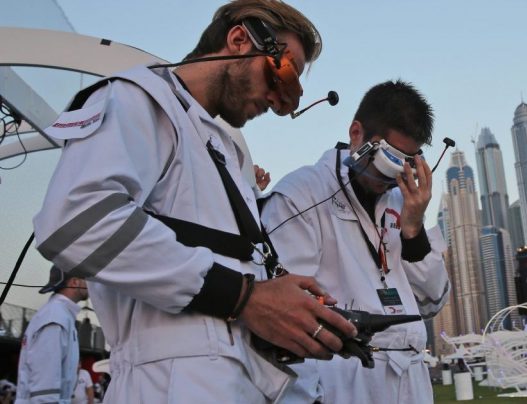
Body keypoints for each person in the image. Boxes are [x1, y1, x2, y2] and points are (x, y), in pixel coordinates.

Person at [31, 1, 356, 403]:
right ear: (239, 39)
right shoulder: (138, 99)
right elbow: (74, 221)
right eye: (281, 75)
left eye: (290, 94)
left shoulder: (222, 152)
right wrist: (244, 296)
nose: (277, 101)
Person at [261, 80, 450, 403]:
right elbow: (285, 316)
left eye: (406, 163)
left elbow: (433, 301)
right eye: (388, 159)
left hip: (412, 381)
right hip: (343, 383)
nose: (393, 177)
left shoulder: (402, 201)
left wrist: (413, 230)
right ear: (356, 133)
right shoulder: (302, 195)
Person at [15, 267, 89, 404]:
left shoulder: (60, 314)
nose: (89, 283)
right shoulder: (55, 316)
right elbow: (45, 383)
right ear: (75, 282)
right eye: (85, 279)